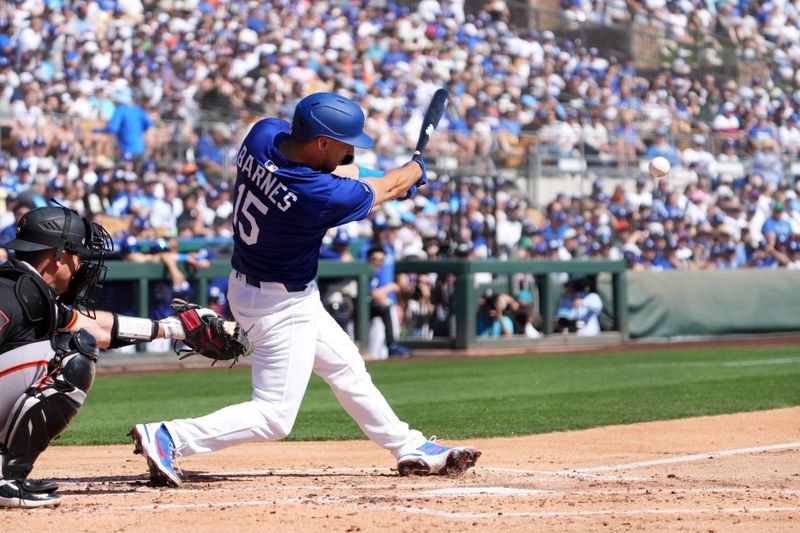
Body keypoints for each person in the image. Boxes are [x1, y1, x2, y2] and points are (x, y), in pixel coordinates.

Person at [130, 92, 480, 486]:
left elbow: (341, 172)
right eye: (345, 143)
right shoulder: (315, 195)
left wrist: (384, 179)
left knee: (347, 367)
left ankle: (407, 445)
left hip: (254, 284)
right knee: (275, 416)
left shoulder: (262, 135)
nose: (351, 150)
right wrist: (413, 171)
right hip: (280, 303)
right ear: (322, 142)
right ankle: (171, 436)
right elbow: (379, 186)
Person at [0, 205, 201, 507]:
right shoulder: (14, 292)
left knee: (77, 343)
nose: (80, 263)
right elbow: (91, 336)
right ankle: (7, 479)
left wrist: (175, 330)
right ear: (57, 255)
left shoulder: (26, 289)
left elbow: (99, 329)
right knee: (72, 354)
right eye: (77, 254)